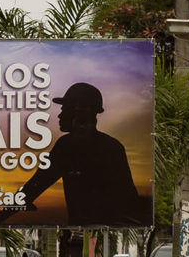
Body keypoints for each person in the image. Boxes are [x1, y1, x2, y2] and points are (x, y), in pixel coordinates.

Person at [15, 82, 144, 226]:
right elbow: (34, 187)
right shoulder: (107, 146)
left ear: (80, 111)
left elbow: (34, 187)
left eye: (65, 109)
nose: (60, 115)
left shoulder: (70, 146)